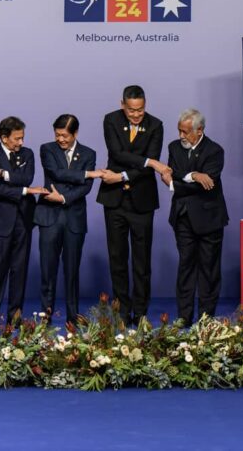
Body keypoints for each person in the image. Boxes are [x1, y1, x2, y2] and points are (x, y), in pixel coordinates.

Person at [96, 85, 169, 325]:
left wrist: (122, 176)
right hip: (114, 200)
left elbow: (145, 170)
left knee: (141, 260)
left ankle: (140, 312)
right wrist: (150, 161)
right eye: (131, 110)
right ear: (122, 105)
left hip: (142, 201)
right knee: (117, 258)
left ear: (145, 104)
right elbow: (116, 154)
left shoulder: (156, 125)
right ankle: (121, 311)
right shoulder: (111, 120)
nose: (136, 115)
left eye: (140, 110)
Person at [162, 108, 228, 326]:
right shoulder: (174, 147)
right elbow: (176, 171)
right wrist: (194, 175)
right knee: (186, 267)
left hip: (209, 219)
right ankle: (184, 316)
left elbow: (208, 185)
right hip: (182, 218)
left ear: (199, 131)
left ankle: (206, 318)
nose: (181, 136)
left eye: (186, 132)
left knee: (209, 270)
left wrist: (174, 184)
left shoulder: (215, 151)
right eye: (179, 130)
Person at [34, 114, 102, 324]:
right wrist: (88, 174)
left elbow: (86, 189)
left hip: (74, 219)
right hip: (49, 218)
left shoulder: (89, 153)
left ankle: (73, 315)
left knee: (72, 270)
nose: (60, 139)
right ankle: (46, 314)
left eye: (64, 135)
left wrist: (63, 197)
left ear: (75, 134)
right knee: (48, 269)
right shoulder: (47, 149)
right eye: (57, 135)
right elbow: (56, 173)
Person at [0, 116, 44, 320]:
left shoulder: (28, 154)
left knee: (20, 269)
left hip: (23, 219)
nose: (21, 142)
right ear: (4, 138)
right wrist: (26, 191)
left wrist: (4, 174)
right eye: (17, 138)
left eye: (22, 138)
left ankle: (15, 318)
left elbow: (27, 178)